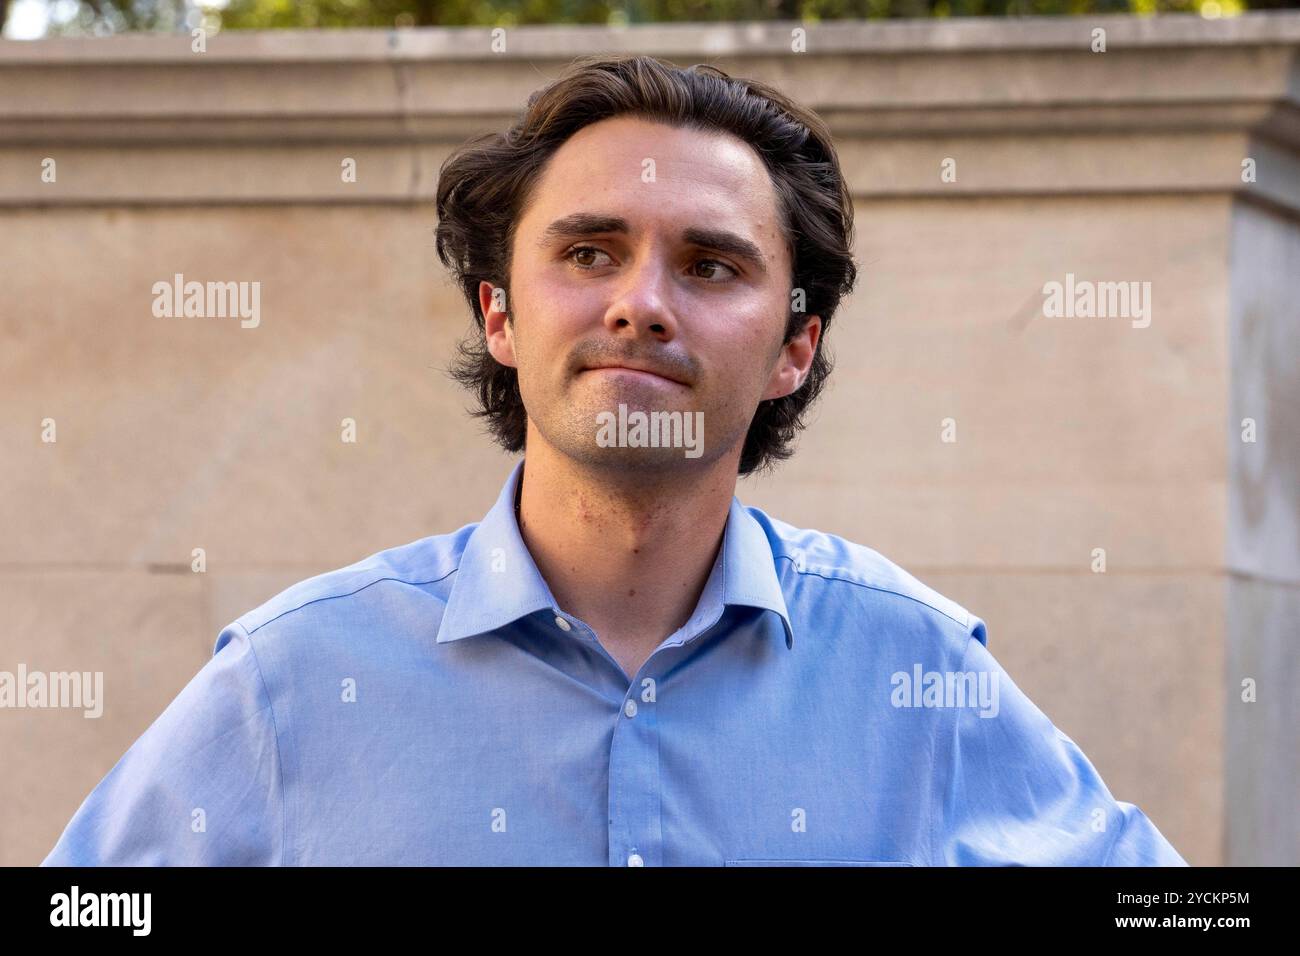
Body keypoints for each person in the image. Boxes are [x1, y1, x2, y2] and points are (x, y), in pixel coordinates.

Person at [42, 54, 1186, 867]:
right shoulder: (287, 683)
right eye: (589, 251)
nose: (639, 303)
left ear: (795, 346)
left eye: (711, 265)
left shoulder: (918, 672)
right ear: (499, 314)